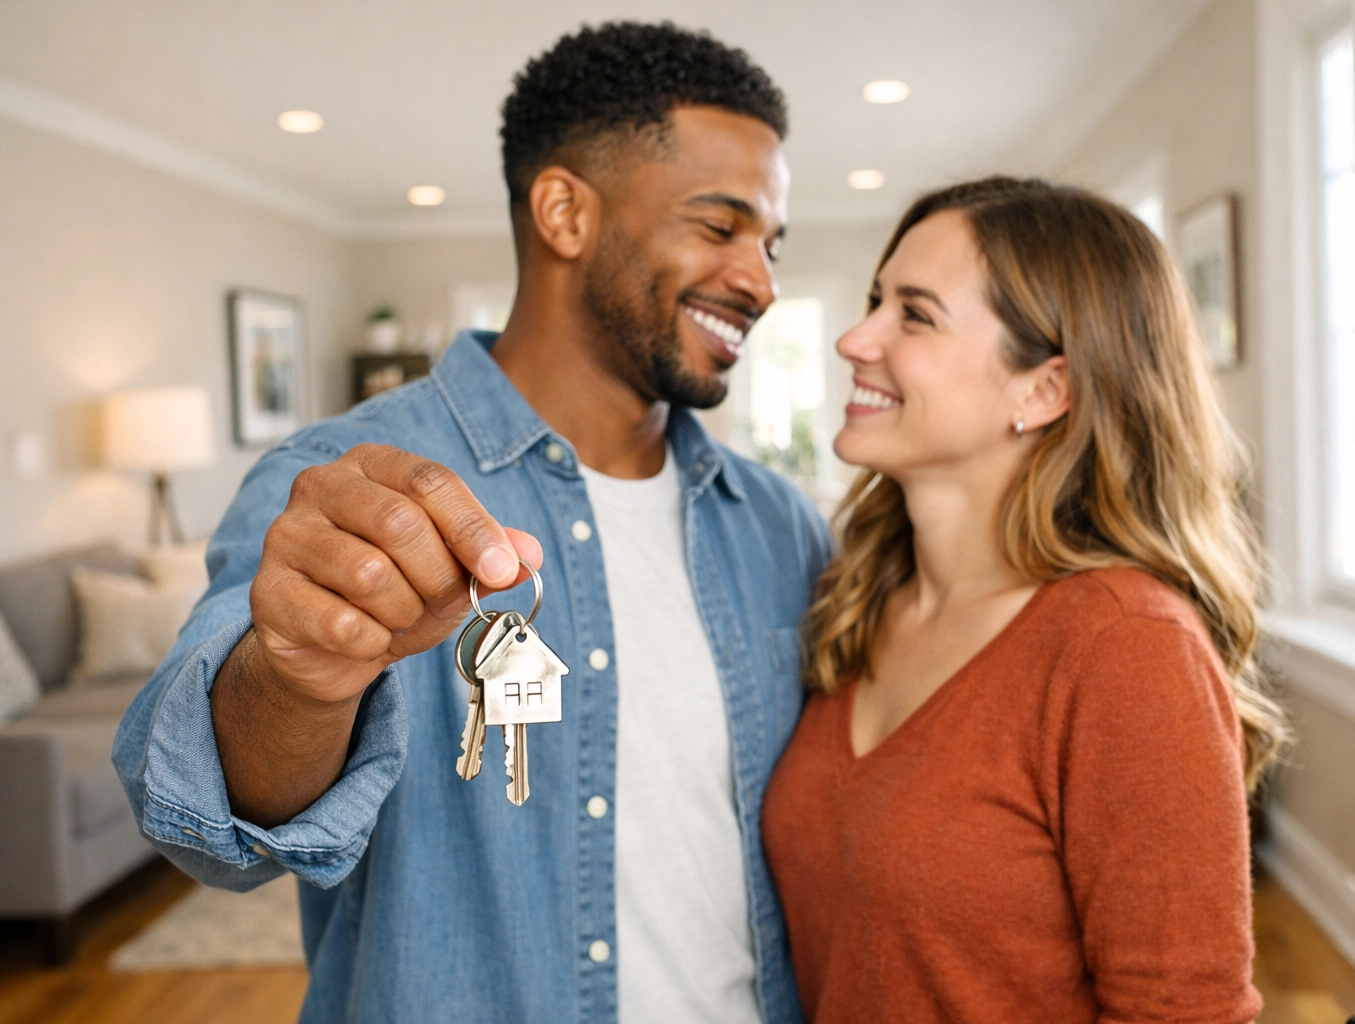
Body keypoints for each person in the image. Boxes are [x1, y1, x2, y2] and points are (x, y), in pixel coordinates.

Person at [115, 23, 828, 1024]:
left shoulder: (783, 527)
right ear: (565, 211)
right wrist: (294, 678)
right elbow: (201, 831)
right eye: (721, 227)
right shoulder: (339, 485)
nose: (762, 281)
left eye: (772, 242)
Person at [761, 177, 1288, 1024]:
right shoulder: (860, 595)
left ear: (1043, 390)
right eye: (873, 301)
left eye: (915, 314)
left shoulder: (1125, 648)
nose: (856, 339)